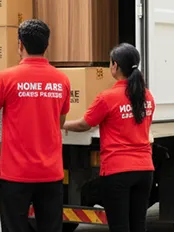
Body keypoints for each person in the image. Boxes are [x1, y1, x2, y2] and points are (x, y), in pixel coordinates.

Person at [0, 19, 70, 232]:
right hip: (51, 173)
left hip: (16, 173)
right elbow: (59, 122)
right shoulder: (61, 80)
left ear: (20, 45)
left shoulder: (7, 78)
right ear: (47, 45)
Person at [63, 43, 155, 232]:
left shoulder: (107, 98)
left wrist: (59, 124)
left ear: (115, 66)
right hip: (145, 170)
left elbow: (84, 124)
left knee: (119, 227)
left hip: (118, 171)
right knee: (138, 225)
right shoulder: (147, 96)